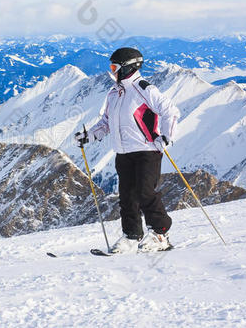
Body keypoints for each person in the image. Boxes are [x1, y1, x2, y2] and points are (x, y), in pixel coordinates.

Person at [75, 47, 180, 253]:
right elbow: (106, 122)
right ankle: (131, 236)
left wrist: (166, 137)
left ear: (127, 67)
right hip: (123, 153)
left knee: (146, 192)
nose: (111, 72)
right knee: (127, 197)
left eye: (114, 67)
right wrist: (89, 136)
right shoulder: (114, 93)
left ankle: (160, 233)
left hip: (147, 150)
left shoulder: (144, 89)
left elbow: (170, 111)